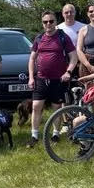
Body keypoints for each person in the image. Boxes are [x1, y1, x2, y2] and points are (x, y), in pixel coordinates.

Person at [27, 10, 78, 148]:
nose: (48, 24)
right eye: (45, 22)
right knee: (36, 106)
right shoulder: (39, 38)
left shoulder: (63, 37)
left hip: (58, 79)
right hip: (41, 79)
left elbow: (74, 56)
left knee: (56, 108)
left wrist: (68, 72)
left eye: (51, 21)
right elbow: (32, 59)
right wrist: (31, 77)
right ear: (42, 24)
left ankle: (55, 134)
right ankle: (34, 135)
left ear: (56, 22)